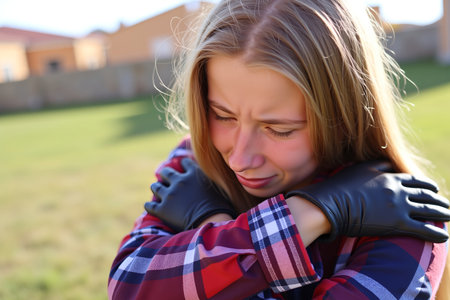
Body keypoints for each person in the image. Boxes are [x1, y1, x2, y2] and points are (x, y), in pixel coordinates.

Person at [108, 0, 450, 299]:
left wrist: (210, 228)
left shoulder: (408, 214)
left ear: (345, 118)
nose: (240, 158)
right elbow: (127, 285)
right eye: (222, 116)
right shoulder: (193, 163)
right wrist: (308, 215)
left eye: (280, 129)